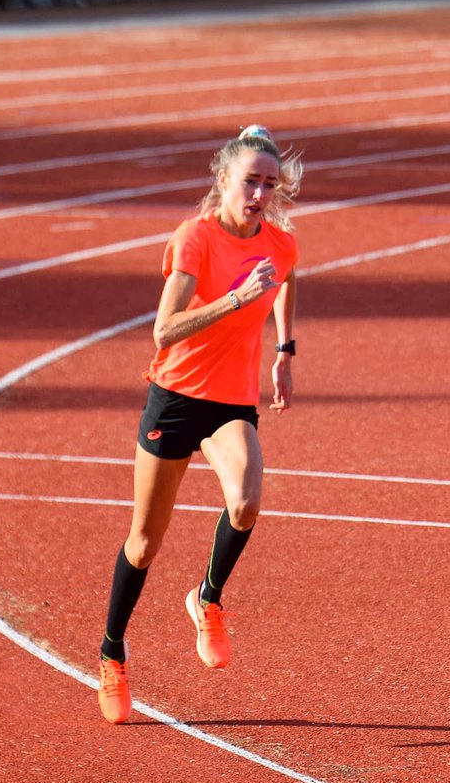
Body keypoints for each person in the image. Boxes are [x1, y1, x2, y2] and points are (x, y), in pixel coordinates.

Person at [97, 124, 303, 723]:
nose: (260, 194)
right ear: (223, 181)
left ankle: (207, 598)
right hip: (176, 397)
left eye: (270, 184)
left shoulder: (280, 244)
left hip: (231, 402)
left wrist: (285, 351)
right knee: (144, 542)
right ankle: (112, 654)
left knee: (245, 502)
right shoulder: (195, 239)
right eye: (250, 182)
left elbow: (288, 278)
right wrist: (236, 300)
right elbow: (164, 330)